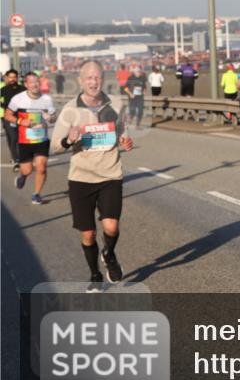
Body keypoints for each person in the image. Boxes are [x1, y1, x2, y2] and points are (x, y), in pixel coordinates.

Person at [51, 61, 133, 289]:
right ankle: (95, 274)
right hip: (81, 178)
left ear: (102, 79)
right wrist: (69, 138)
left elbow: (122, 132)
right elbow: (56, 147)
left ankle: (109, 254)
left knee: (111, 228)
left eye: (97, 77)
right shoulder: (70, 109)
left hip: (110, 175)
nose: (93, 82)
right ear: (80, 81)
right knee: (88, 234)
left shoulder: (116, 104)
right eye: (88, 78)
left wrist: (126, 141)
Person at [4, 72, 56, 205]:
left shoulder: (46, 99)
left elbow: (54, 116)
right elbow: (7, 115)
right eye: (31, 82)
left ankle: (36, 194)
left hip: (41, 139)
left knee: (42, 167)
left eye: (37, 81)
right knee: (27, 169)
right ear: (26, 84)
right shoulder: (18, 99)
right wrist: (21, 121)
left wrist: (50, 117)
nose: (35, 84)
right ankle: (22, 176)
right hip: (25, 141)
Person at [1, 70, 26, 171]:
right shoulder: (3, 89)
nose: (12, 79)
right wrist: (4, 106)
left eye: (14, 77)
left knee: (21, 138)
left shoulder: (23, 89)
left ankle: (20, 157)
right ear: (7, 77)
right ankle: (16, 161)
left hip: (22, 117)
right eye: (10, 77)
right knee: (14, 138)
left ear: (17, 77)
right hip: (9, 117)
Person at [124, 65, 146, 130]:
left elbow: (144, 87)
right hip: (132, 97)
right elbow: (125, 88)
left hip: (140, 97)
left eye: (140, 71)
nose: (139, 73)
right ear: (134, 72)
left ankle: (138, 125)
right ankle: (130, 118)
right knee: (132, 112)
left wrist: (144, 91)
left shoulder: (142, 78)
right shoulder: (130, 78)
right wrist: (130, 94)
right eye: (138, 72)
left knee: (140, 111)